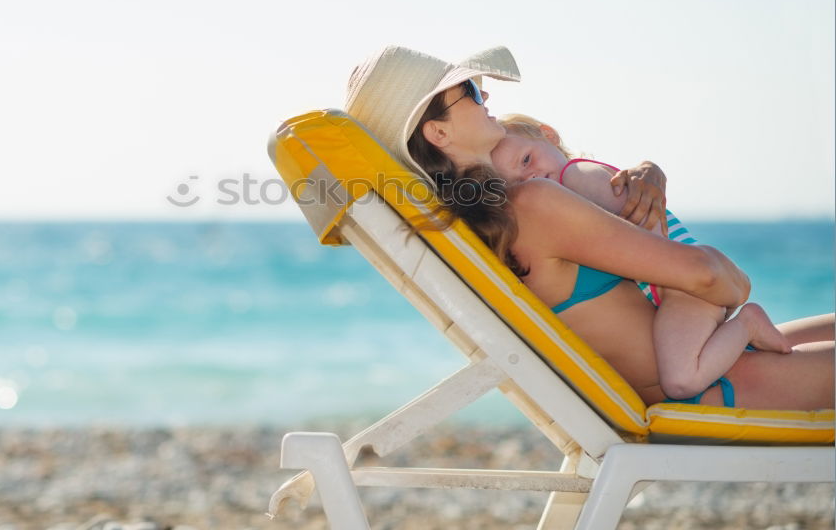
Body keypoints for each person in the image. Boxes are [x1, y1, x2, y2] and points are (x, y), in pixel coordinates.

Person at [344, 44, 834, 410]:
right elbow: (709, 276)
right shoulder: (533, 203)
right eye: (470, 91)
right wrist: (735, 284)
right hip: (715, 388)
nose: (485, 94)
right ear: (439, 132)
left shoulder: (482, 227)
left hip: (712, 363)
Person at [490, 113, 791, 401]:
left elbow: (639, 222)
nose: (529, 176)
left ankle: (748, 323)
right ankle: (744, 333)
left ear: (548, 135)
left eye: (527, 159)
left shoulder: (576, 175)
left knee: (681, 381)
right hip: (677, 288)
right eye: (516, 180)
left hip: (681, 290)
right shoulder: (571, 184)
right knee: (693, 366)